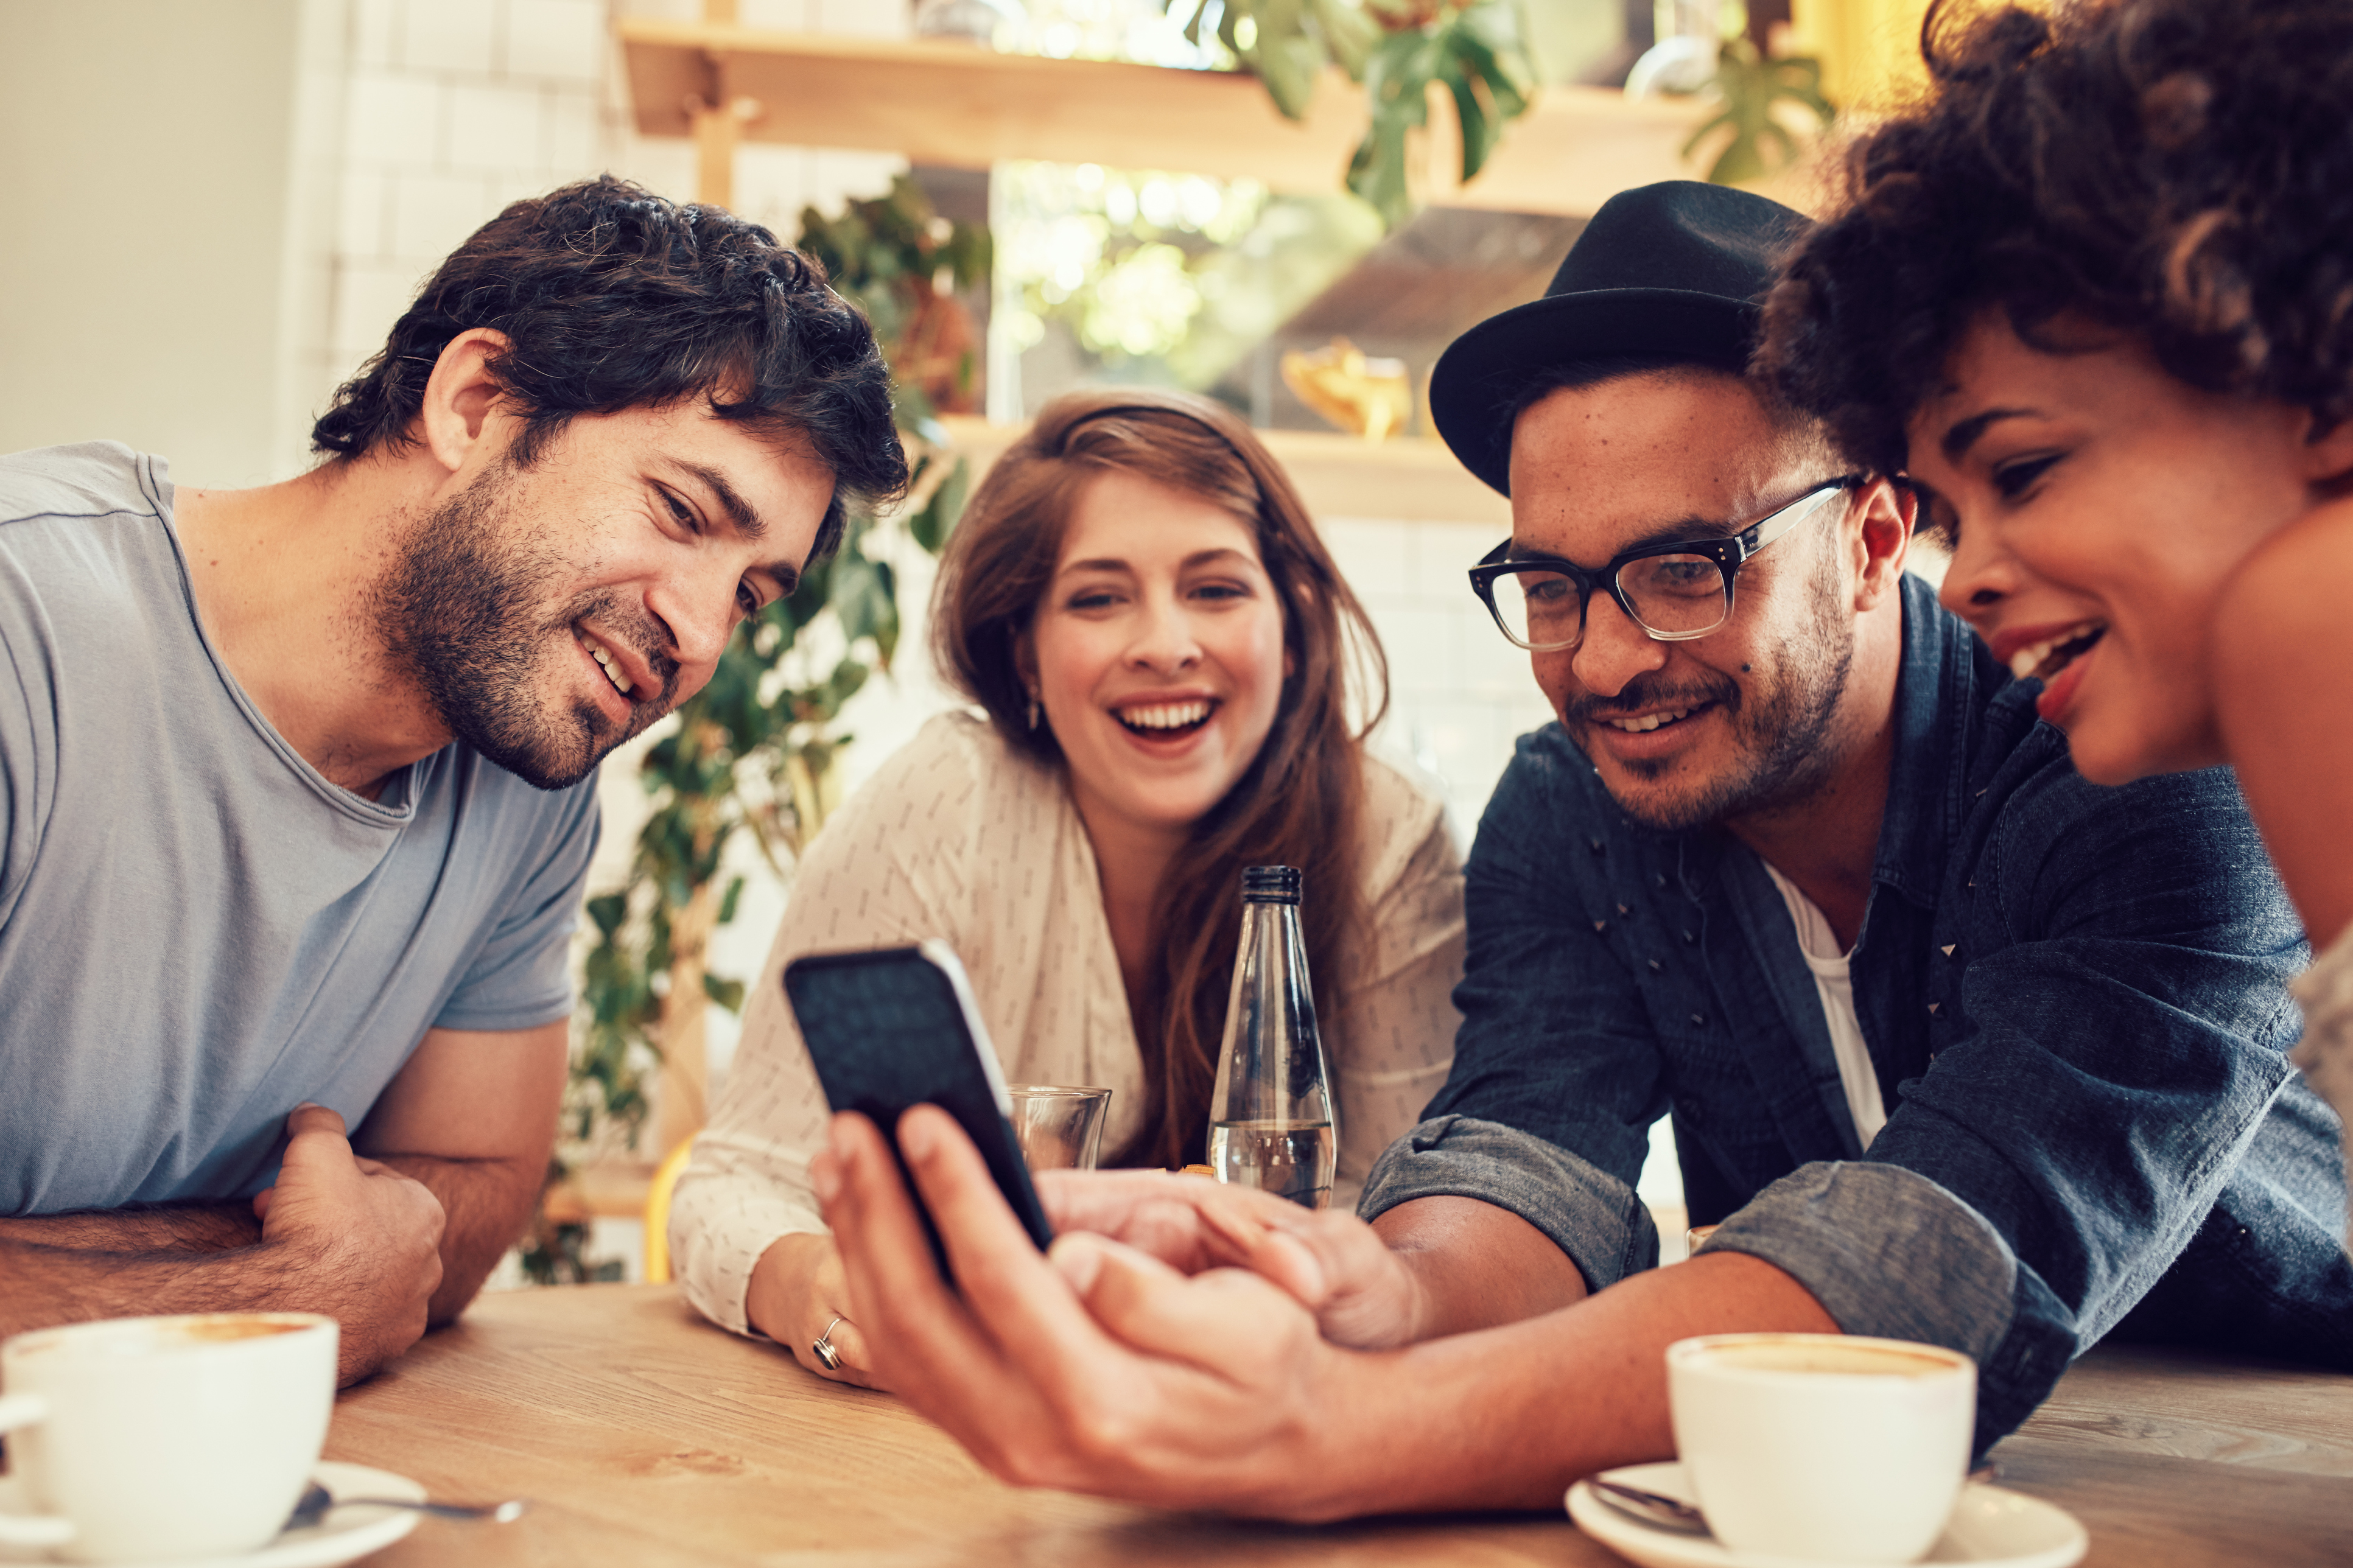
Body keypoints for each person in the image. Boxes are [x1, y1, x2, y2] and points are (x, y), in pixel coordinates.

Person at [803, 180, 2351, 1518]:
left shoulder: (2133, 757)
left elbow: (1936, 1251)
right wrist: (1379, 1291)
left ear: (1876, 533)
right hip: (1820, 1469)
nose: (1607, 659)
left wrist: (1336, 1428)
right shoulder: (1569, 799)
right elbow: (1529, 1154)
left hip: (2259, 1434)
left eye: (1686, 568)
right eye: (1553, 584)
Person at [0, 175, 906, 1385]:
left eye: (748, 593)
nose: (700, 639)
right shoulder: (28, 635)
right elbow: (356, 1266)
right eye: (685, 510)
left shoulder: (527, 787)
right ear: (475, 405)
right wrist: (277, 1286)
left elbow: (466, 1196)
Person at [668, 388, 1465, 1386]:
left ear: (1293, 628)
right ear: (1024, 656)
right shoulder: (944, 801)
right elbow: (732, 1184)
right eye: (1097, 598)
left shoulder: (1389, 837)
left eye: (1215, 590)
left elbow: (1419, 1224)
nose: (1164, 643)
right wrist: (809, 1291)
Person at [1756, 0, 2353, 1203]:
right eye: (1951, 516)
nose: (1965, 578)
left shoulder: (2312, 610)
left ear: (2316, 377)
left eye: (2024, 469)